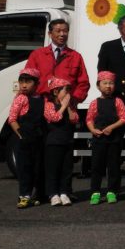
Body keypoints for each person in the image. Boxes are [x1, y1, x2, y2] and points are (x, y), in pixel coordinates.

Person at [86, 71, 125, 205]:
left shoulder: (118, 101)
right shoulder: (94, 103)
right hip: (98, 139)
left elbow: (124, 118)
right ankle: (95, 192)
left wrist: (112, 127)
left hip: (114, 139)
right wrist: (93, 130)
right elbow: (89, 119)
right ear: (98, 86)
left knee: (114, 166)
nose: (108, 86)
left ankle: (112, 192)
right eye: (105, 83)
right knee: (96, 166)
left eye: (111, 83)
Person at [25, 18, 90, 105]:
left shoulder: (75, 56)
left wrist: (73, 100)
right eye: (58, 31)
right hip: (41, 103)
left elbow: (84, 83)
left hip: (66, 106)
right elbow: (27, 79)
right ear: (50, 34)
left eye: (65, 31)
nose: (62, 34)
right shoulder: (37, 55)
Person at [7, 68, 45, 209]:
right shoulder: (21, 99)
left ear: (36, 83)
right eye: (21, 82)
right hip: (24, 139)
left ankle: (37, 195)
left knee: (38, 168)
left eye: (28, 82)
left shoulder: (42, 98)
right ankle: (24, 195)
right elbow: (12, 119)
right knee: (24, 168)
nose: (24, 85)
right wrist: (20, 135)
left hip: (38, 138)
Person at [43, 77, 78, 207]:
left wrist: (68, 106)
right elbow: (54, 118)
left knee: (66, 169)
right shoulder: (49, 105)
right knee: (53, 169)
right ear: (55, 92)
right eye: (65, 90)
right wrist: (63, 106)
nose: (68, 93)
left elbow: (74, 119)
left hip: (67, 141)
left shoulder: (70, 105)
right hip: (54, 142)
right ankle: (53, 194)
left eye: (69, 90)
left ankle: (64, 192)